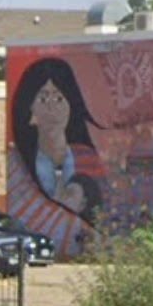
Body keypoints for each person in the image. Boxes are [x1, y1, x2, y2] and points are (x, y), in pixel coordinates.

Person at [9, 57, 105, 256]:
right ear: (30, 107)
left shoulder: (88, 159)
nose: (52, 108)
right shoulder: (17, 164)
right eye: (43, 99)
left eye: (59, 98)